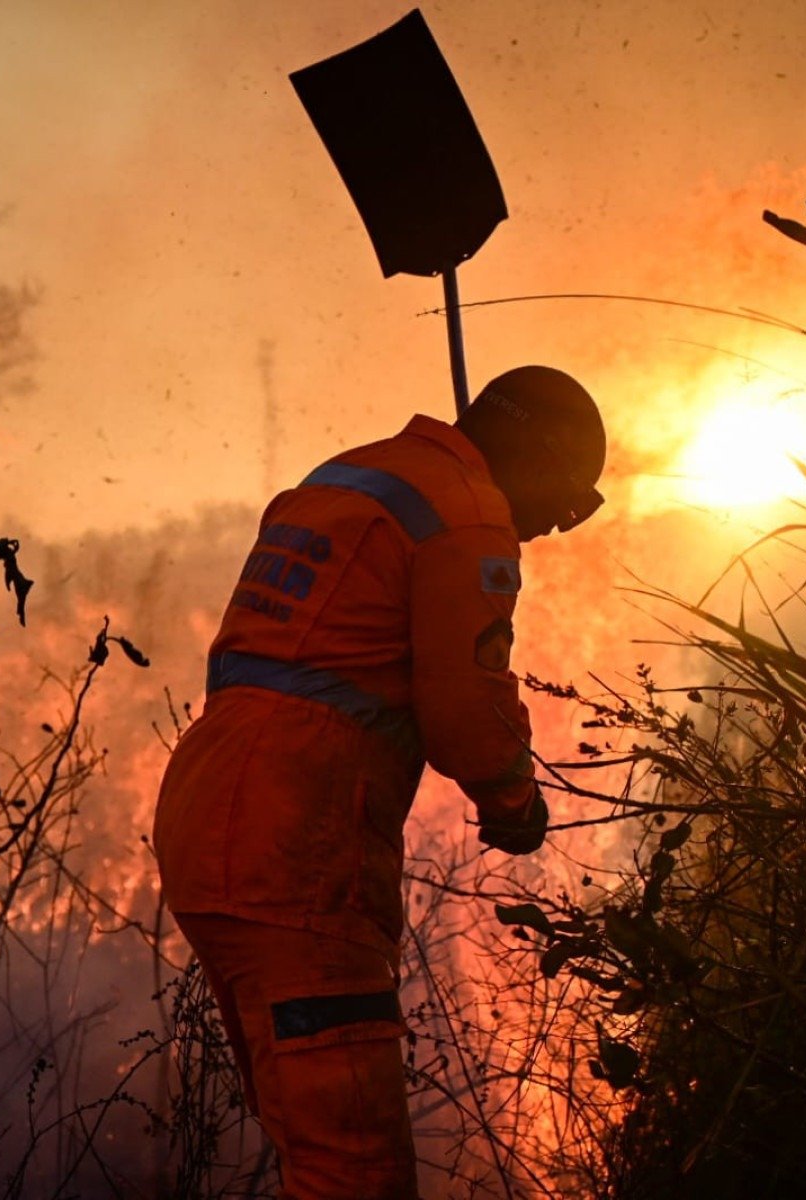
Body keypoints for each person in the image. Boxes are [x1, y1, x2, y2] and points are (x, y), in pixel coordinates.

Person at [152, 365, 607, 1198]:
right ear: (538, 457)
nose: (542, 529)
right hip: (298, 845)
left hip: (210, 820)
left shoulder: (348, 479)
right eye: (559, 504)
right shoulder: (467, 513)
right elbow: (465, 708)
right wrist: (515, 800)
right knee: (354, 1170)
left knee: (310, 1146)